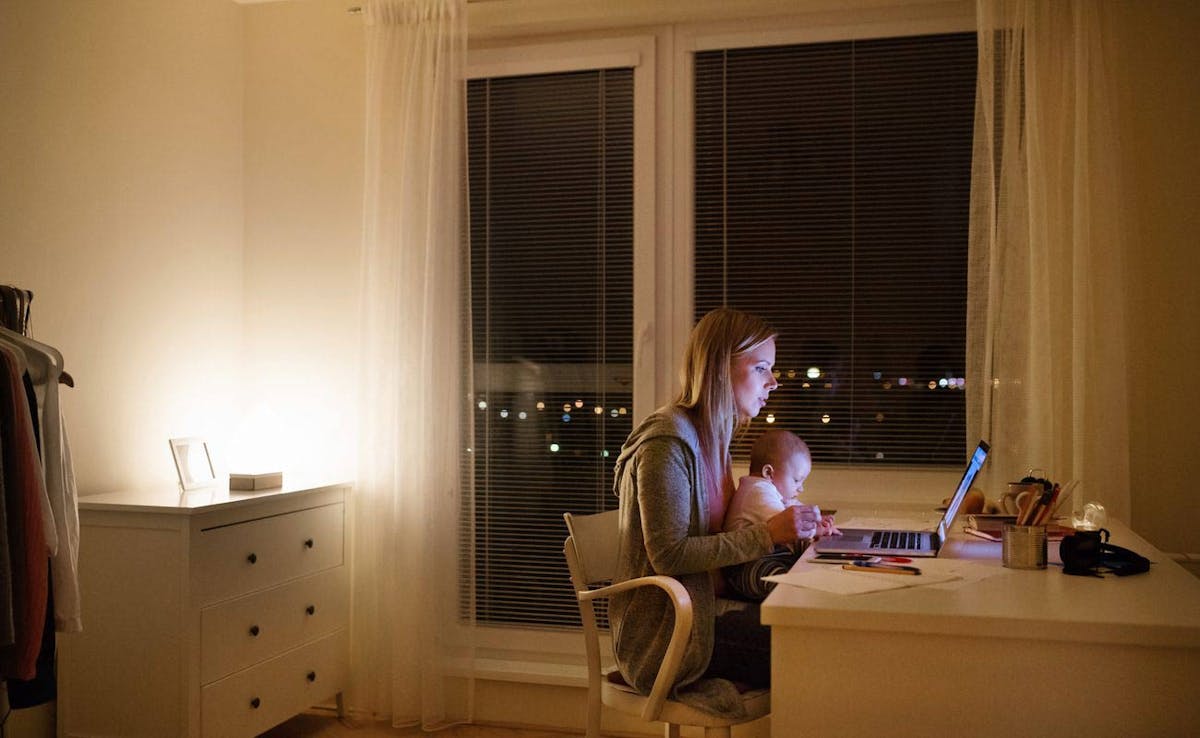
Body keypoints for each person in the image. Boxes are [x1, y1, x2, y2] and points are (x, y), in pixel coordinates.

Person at [609, 308, 819, 718]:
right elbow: (668, 556)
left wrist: (793, 526)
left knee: (817, 620)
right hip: (671, 632)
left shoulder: (713, 440)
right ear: (720, 368)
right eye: (762, 368)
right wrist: (768, 534)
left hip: (709, 610)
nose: (773, 382)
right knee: (816, 640)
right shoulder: (667, 443)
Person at [722, 428, 839, 601]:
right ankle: (789, 595)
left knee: (805, 555)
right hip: (744, 565)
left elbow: (796, 511)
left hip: (772, 555)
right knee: (774, 577)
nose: (801, 488)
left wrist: (818, 521)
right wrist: (814, 530)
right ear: (768, 473)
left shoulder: (775, 492)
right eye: (797, 480)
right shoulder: (756, 491)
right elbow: (789, 524)